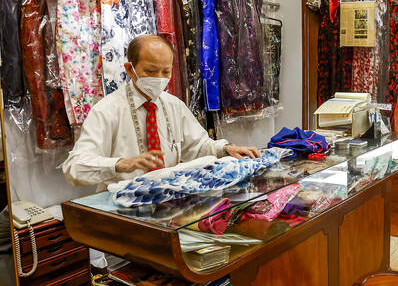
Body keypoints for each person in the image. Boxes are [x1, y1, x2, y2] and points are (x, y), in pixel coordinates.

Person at [63, 34, 260, 189]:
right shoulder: (106, 111)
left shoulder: (174, 105)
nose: (159, 78)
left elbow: (197, 145)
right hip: (121, 209)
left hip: (169, 199)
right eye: (150, 71)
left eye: (166, 72)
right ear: (130, 70)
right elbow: (75, 168)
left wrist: (225, 149)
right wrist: (120, 164)